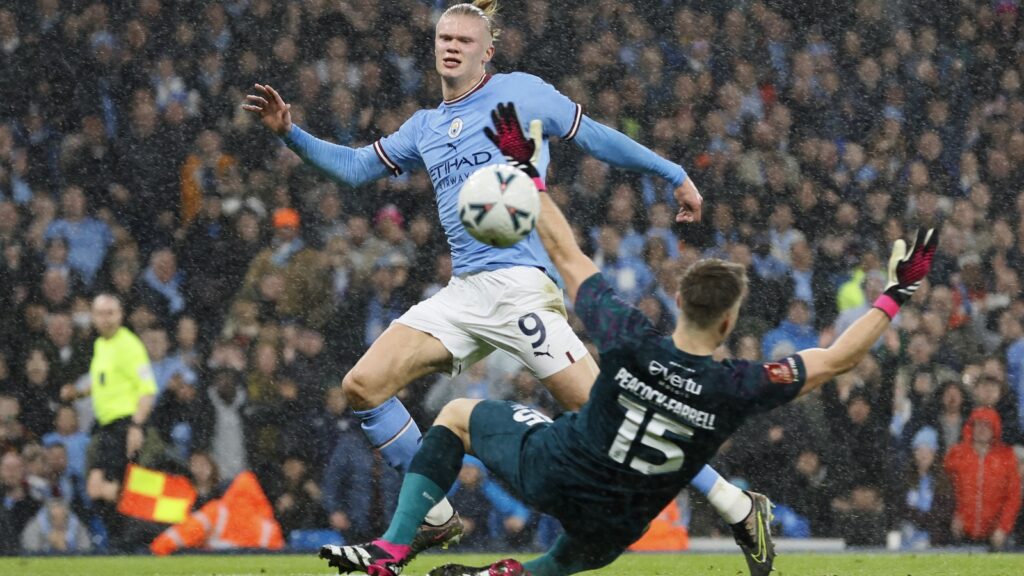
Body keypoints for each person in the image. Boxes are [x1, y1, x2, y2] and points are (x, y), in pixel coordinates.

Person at [316, 105, 940, 576]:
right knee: (560, 561)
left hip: (557, 476)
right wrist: (896, 295)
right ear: (729, 325)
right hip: (618, 525)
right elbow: (838, 357)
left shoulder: (628, 336)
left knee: (454, 415)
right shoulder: (738, 384)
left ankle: (398, 544)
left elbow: (565, 252)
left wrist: (529, 175)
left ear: (677, 306)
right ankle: (515, 572)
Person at [241, 0, 757, 559]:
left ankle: (737, 505)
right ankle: (433, 516)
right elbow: (354, 168)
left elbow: (597, 137)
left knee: (618, 413)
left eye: (465, 39)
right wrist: (290, 132)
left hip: (521, 287)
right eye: (444, 37)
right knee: (362, 386)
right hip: (464, 292)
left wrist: (672, 173)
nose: (452, 45)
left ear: (487, 51)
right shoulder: (426, 126)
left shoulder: (522, 92)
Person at [59, 294, 156, 544]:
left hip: (124, 424)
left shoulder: (130, 346)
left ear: (121, 315)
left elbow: (147, 389)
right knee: (102, 489)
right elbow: (103, 382)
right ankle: (126, 539)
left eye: (111, 312)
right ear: (93, 317)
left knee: (104, 488)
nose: (106, 318)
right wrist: (78, 392)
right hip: (107, 427)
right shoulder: (102, 345)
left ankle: (130, 537)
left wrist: (136, 426)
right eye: (101, 313)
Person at [943, 407, 1022, 550]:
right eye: (978, 424)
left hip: (995, 538)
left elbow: (1013, 497)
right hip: (960, 535)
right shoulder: (956, 454)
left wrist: (1003, 528)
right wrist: (952, 515)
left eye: (987, 425)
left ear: (995, 429)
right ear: (971, 427)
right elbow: (945, 489)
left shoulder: (1006, 457)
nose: (982, 429)